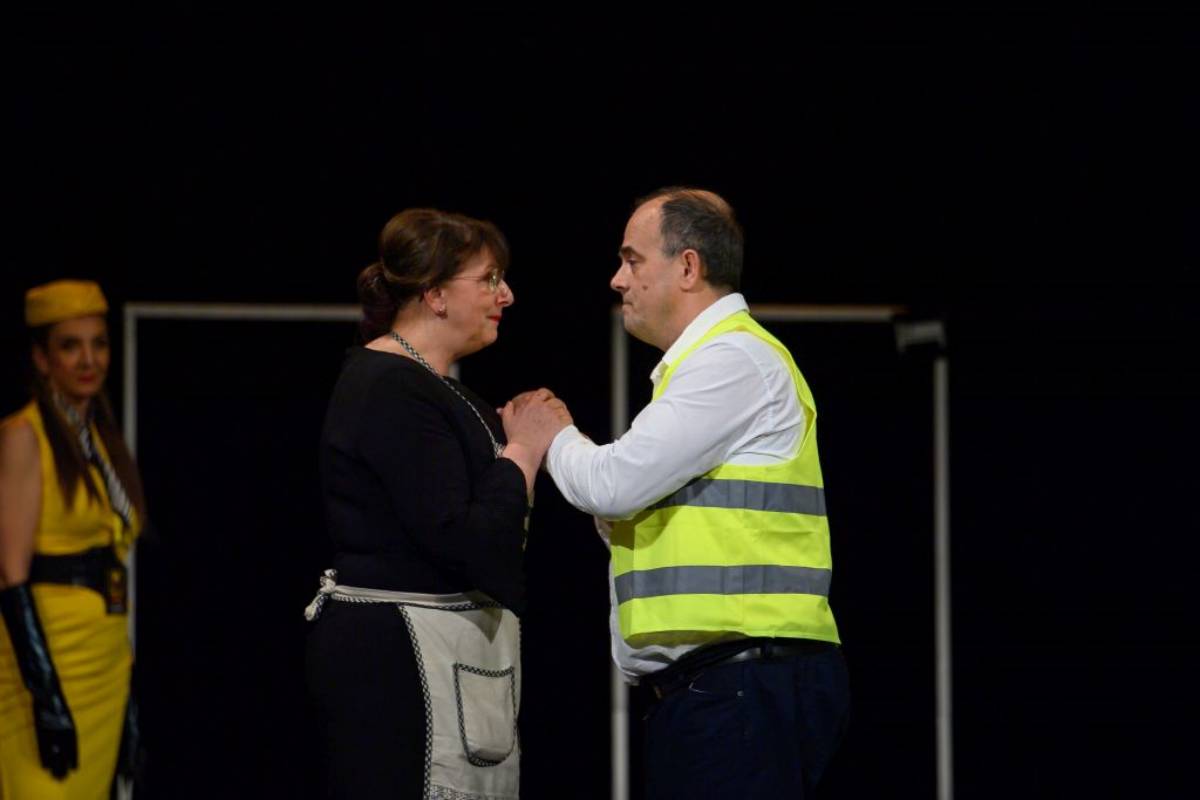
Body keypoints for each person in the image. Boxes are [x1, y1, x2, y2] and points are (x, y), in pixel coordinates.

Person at [507, 187, 850, 798]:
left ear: (688, 267)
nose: (617, 279)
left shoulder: (732, 359)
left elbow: (614, 485)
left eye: (632, 260)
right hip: (728, 686)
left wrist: (551, 434)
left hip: (743, 685)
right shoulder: (712, 365)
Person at [304, 208, 568, 800]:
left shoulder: (434, 388)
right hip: (399, 661)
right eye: (490, 279)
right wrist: (524, 449)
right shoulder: (388, 386)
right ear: (436, 294)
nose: (507, 294)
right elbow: (469, 540)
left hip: (444, 651)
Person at [0, 279, 145, 799]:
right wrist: (47, 699)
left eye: (98, 344)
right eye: (70, 346)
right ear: (42, 359)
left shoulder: (100, 441)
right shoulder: (25, 435)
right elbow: (10, 573)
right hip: (49, 667)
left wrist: (128, 699)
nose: (88, 360)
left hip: (104, 664)